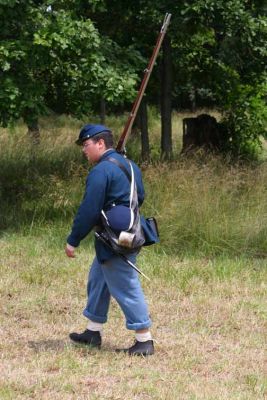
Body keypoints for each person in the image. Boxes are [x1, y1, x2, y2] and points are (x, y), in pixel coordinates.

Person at [65, 124, 154, 356]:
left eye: (86, 145)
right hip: (124, 234)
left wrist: (73, 239)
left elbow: (89, 209)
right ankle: (92, 332)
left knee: (126, 286)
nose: (84, 150)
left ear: (100, 143)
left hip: (114, 238)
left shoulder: (101, 170)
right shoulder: (131, 166)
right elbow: (139, 196)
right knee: (98, 279)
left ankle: (144, 340)